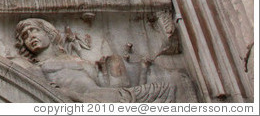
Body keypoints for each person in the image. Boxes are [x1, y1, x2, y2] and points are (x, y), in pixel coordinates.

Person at [14, 18, 178, 102]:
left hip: (113, 95)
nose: (30, 37)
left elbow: (105, 76)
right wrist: (83, 100)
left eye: (34, 30)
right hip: (89, 101)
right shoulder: (36, 67)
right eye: (25, 36)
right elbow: (52, 91)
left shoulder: (72, 57)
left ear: (48, 33)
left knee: (175, 85)